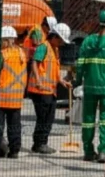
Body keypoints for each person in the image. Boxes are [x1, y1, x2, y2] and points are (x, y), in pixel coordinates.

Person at [74, 10, 105, 163]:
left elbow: (80, 65)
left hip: (90, 86)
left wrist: (78, 80)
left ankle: (88, 151)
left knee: (88, 120)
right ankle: (103, 151)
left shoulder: (87, 41)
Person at [27, 22, 72, 154]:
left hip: (50, 90)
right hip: (40, 90)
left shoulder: (55, 50)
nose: (62, 43)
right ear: (55, 37)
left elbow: (53, 70)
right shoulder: (44, 47)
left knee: (49, 117)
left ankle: (41, 143)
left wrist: (61, 80)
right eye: (61, 40)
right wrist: (38, 80)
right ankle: (39, 143)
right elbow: (35, 62)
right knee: (43, 117)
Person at [0, 26, 27, 159]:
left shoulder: (2, 55)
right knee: (15, 126)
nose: (0, 43)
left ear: (8, 40)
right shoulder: (21, 53)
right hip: (16, 98)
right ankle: (14, 150)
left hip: (1, 97)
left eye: (2, 40)